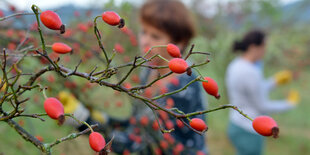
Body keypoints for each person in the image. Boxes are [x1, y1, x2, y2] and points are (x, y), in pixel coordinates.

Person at [59, 0, 209, 154]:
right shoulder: (149, 70)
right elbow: (139, 124)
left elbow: (139, 142)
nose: (145, 41)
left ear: (180, 42)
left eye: (155, 36)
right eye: (143, 32)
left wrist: (85, 123)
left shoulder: (184, 87)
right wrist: (101, 120)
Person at [225, 29, 300, 155]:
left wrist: (275, 81)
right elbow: (262, 105)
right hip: (249, 130)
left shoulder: (236, 64)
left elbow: (253, 91)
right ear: (254, 47)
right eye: (264, 46)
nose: (265, 51)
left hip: (235, 124)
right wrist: (289, 104)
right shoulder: (250, 72)